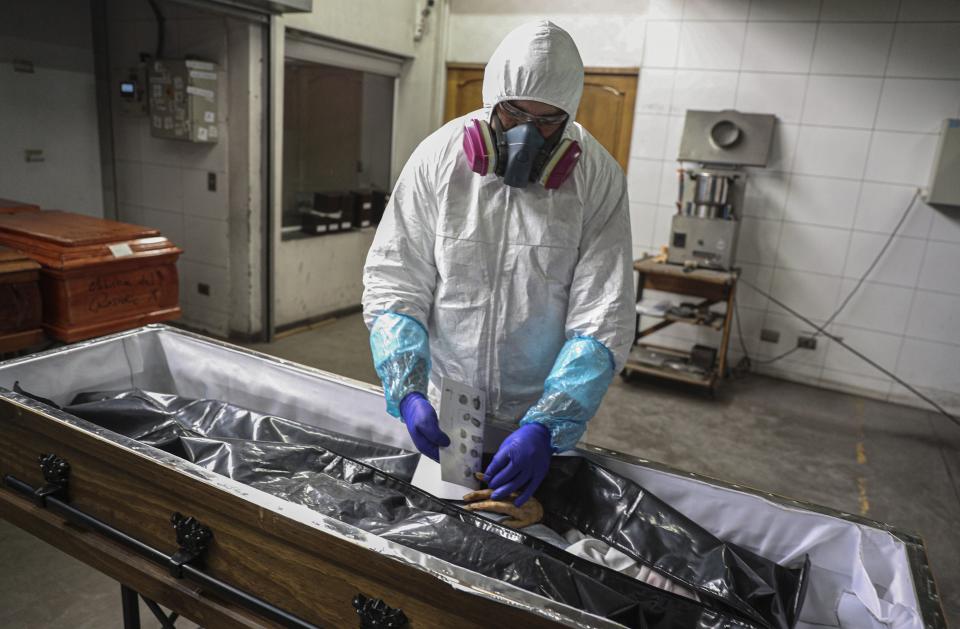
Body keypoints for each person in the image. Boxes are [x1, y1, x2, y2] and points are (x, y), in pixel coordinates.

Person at [362, 20, 634, 507]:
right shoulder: (438, 160)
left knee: (529, 545)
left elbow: (603, 317)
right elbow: (394, 280)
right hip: (449, 405)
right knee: (440, 533)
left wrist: (549, 424)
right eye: (513, 113)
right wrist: (407, 388)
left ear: (569, 115)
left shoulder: (596, 178)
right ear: (492, 103)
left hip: (539, 412)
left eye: (548, 119)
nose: (527, 134)